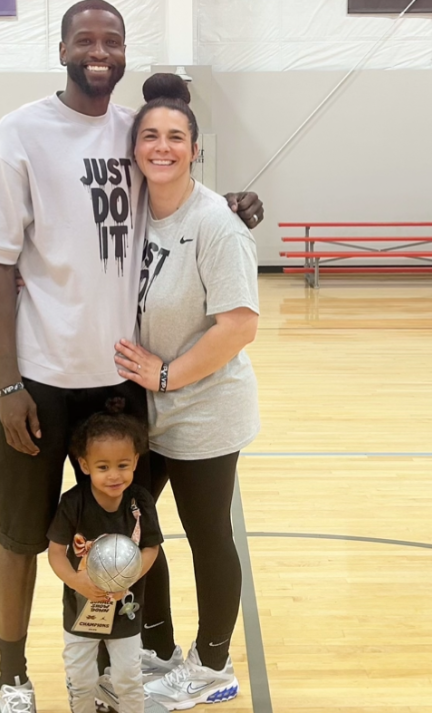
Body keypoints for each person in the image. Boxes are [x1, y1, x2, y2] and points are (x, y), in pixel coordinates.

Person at [0, 0, 264, 713]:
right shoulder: (19, 134)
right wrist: (8, 383)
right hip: (39, 381)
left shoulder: (132, 129)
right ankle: (12, 675)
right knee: (21, 535)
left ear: (124, 53)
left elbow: (172, 181)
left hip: (121, 389)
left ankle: (122, 664)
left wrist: (228, 206)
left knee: (123, 532)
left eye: (112, 41)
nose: (99, 51)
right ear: (62, 46)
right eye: (85, 39)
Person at [113, 73, 260, 709]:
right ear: (134, 147)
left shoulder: (217, 225)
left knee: (206, 535)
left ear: (195, 148)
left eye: (176, 136)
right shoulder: (132, 211)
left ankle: (213, 667)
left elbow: (240, 326)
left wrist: (168, 376)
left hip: (203, 408)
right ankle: (161, 649)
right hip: (146, 414)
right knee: (142, 533)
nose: (162, 146)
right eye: (150, 135)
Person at [47, 402, 162, 713]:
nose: (114, 475)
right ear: (84, 465)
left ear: (136, 461)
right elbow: (56, 552)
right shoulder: (73, 503)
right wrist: (75, 581)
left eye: (123, 465)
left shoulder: (139, 501)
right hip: (80, 611)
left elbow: (151, 547)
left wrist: (128, 577)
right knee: (81, 679)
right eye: (103, 467)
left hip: (125, 612)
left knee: (127, 678)